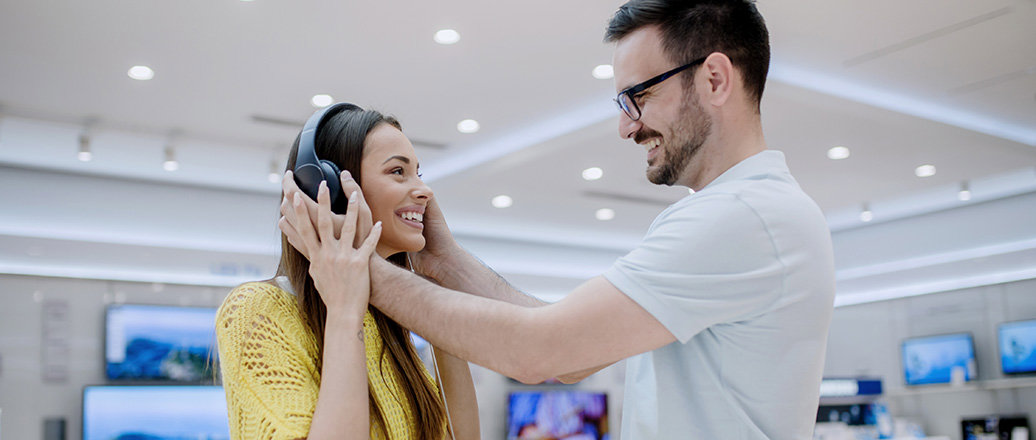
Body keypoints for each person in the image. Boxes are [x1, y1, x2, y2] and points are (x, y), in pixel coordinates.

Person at [280, 0, 835, 438]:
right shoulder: (737, 214)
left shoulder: (742, 217)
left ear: (714, 79)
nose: (627, 127)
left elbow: (539, 351)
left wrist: (354, 268)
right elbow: (567, 360)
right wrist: (439, 261)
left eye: (637, 97)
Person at [216, 105, 480, 440]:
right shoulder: (256, 309)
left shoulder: (388, 320)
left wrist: (439, 293)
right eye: (398, 171)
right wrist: (344, 310)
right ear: (330, 190)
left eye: (419, 174)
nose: (424, 191)